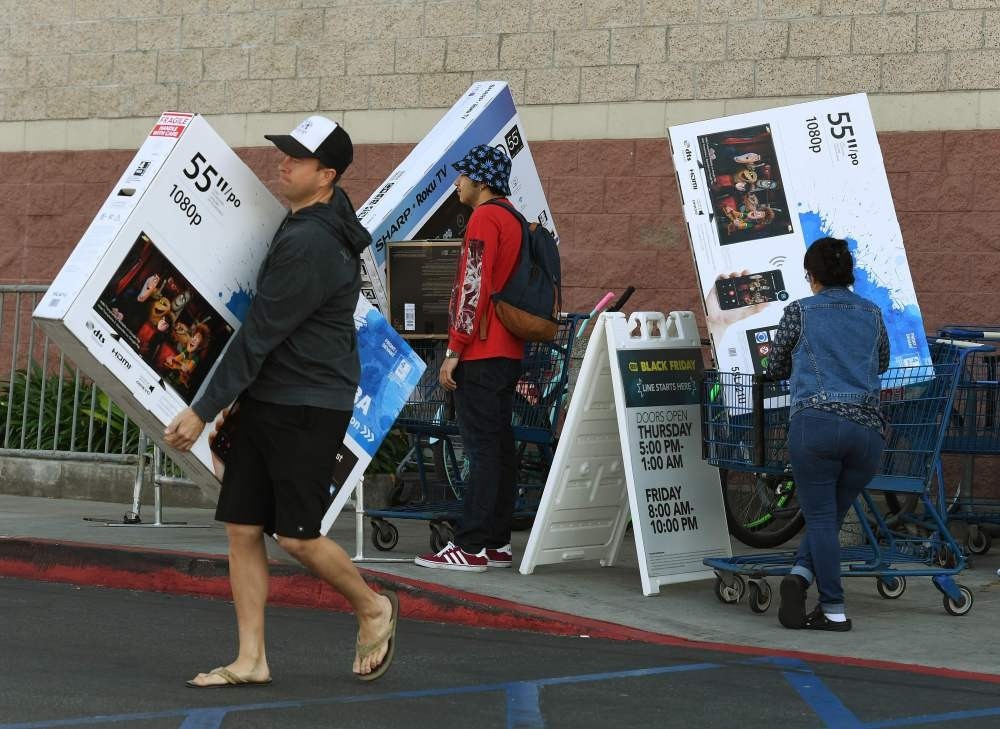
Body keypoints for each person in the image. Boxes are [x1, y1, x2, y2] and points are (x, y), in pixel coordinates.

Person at [164, 116, 398, 684]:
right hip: (272, 398)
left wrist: (203, 408)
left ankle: (373, 607)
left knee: (295, 534)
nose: (282, 162)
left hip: (306, 404)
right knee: (242, 527)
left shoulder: (311, 241)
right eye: (284, 152)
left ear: (328, 176)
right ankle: (252, 660)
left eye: (297, 157)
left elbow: (259, 334)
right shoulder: (306, 223)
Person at [764, 237, 890, 632]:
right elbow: (882, 362)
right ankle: (799, 577)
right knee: (830, 516)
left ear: (812, 275)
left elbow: (774, 365)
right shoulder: (872, 313)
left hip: (816, 426)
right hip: (867, 432)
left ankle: (834, 608)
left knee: (819, 519)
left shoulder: (799, 312)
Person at [414, 144, 525, 573]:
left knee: (479, 449)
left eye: (462, 176)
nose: (456, 182)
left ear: (481, 181)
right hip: (508, 348)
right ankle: (496, 542)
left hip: (480, 349)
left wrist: (454, 350)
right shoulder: (514, 218)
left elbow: (472, 287)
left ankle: (472, 544)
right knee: (498, 447)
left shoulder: (484, 217)